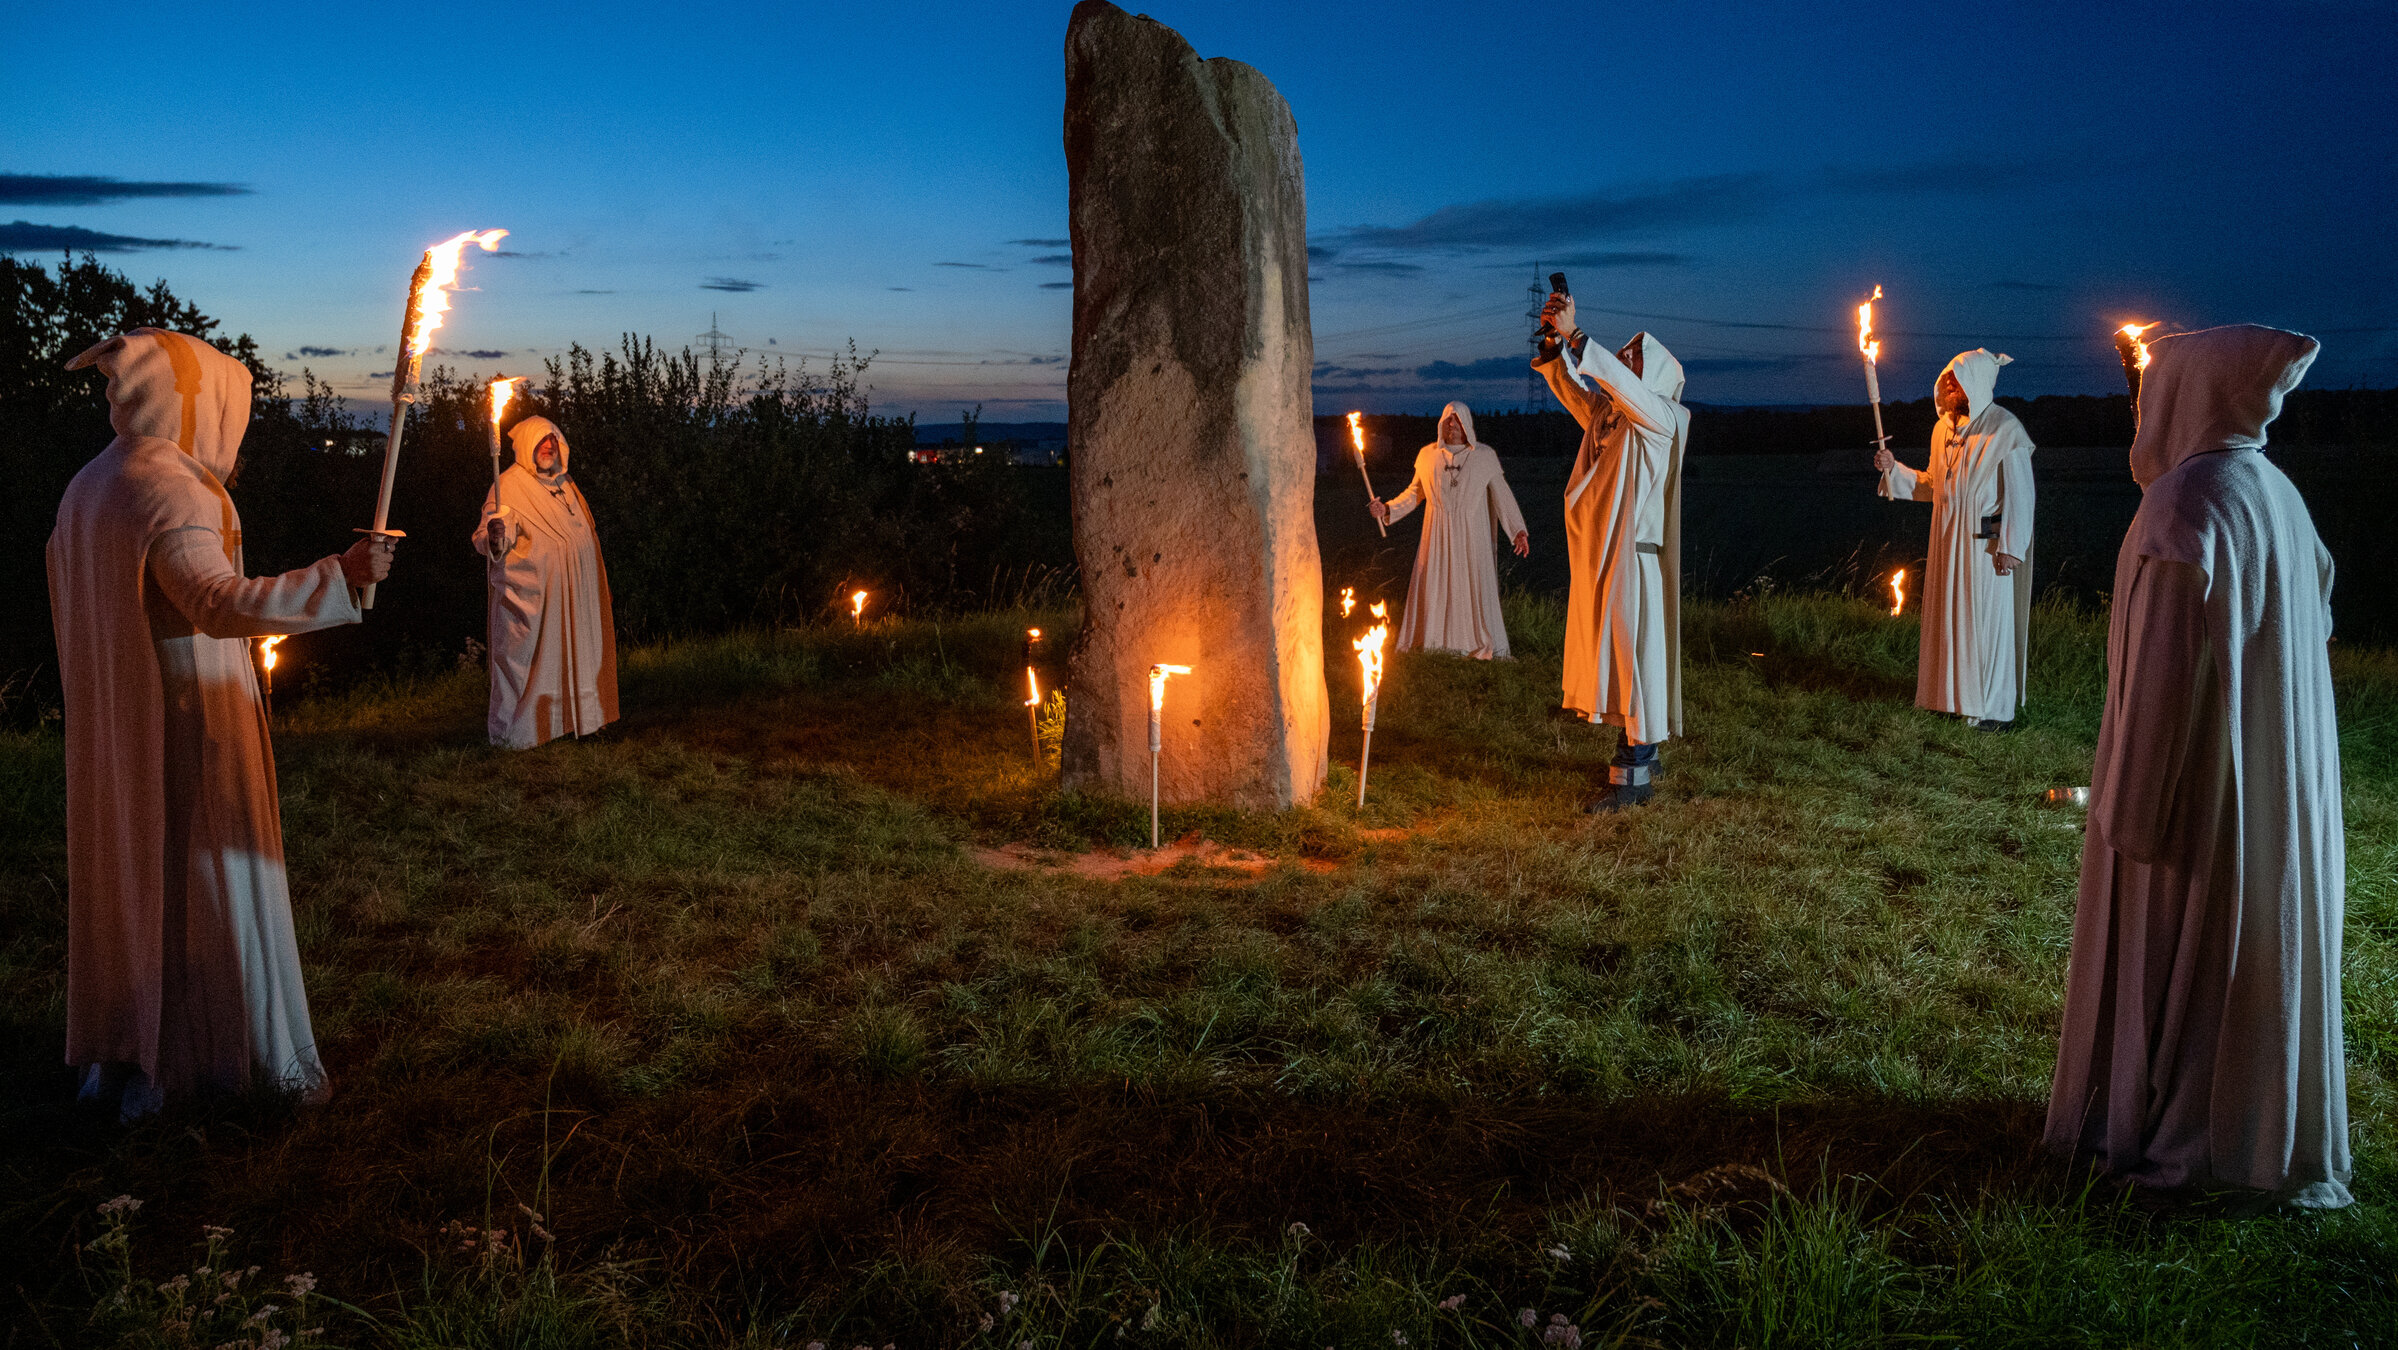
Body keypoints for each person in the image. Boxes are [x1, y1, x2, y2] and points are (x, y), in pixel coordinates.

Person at [47, 328, 394, 1120]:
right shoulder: (170, 489)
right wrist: (339, 577)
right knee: (205, 874)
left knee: (130, 874)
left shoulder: (89, 485)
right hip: (183, 716)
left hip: (113, 723)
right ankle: (210, 1057)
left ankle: (123, 1049)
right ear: (195, 403)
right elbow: (213, 602)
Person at [2046, 324, 2349, 1209]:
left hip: (2197, 801)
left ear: (2183, 396)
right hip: (2264, 789)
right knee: (2250, 938)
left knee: (2186, 946)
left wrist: (2128, 811)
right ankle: (2253, 1127)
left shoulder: (2184, 508)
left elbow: (2163, 682)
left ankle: (2184, 1131)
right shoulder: (2276, 493)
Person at [1532, 292, 1689, 812]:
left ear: (1657, 375)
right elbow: (1581, 396)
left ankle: (1633, 775)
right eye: (1622, 350)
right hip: (1607, 553)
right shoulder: (1616, 416)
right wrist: (1557, 348)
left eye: (1633, 355)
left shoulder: (1661, 417)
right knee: (1623, 660)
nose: (1623, 355)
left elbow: (1615, 387)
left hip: (1634, 563)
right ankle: (1646, 746)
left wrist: (1581, 339)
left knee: (1632, 660)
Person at [1875, 350, 2037, 730]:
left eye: (1957, 379)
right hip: (1946, 542)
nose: (1950, 384)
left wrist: (2011, 546)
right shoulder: (1941, 431)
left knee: (1986, 628)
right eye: (1947, 378)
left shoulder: (2005, 429)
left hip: (1984, 548)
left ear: (1977, 384)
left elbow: (2020, 494)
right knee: (1948, 622)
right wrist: (1893, 470)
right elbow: (1934, 485)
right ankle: (1948, 699)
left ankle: (1993, 711)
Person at [474, 415, 618, 749]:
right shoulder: (508, 485)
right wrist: (497, 537)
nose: (549, 447)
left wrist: (600, 586)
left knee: (584, 656)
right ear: (527, 446)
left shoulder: (566, 484)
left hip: (578, 595)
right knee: (532, 665)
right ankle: (521, 735)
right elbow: (492, 531)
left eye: (553, 441)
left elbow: (587, 535)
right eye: (542, 442)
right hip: (536, 600)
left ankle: (582, 721)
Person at [1370, 400, 1530, 659]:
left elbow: (1502, 496)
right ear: (1441, 424)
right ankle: (1435, 639)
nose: (1452, 424)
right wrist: (1387, 509)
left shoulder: (1484, 456)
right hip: (1436, 532)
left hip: (1471, 535)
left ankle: (1471, 638)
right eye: (1448, 420)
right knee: (1436, 580)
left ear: (1467, 425)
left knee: (1470, 584)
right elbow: (1414, 494)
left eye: (1456, 419)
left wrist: (1517, 531)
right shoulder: (1428, 455)